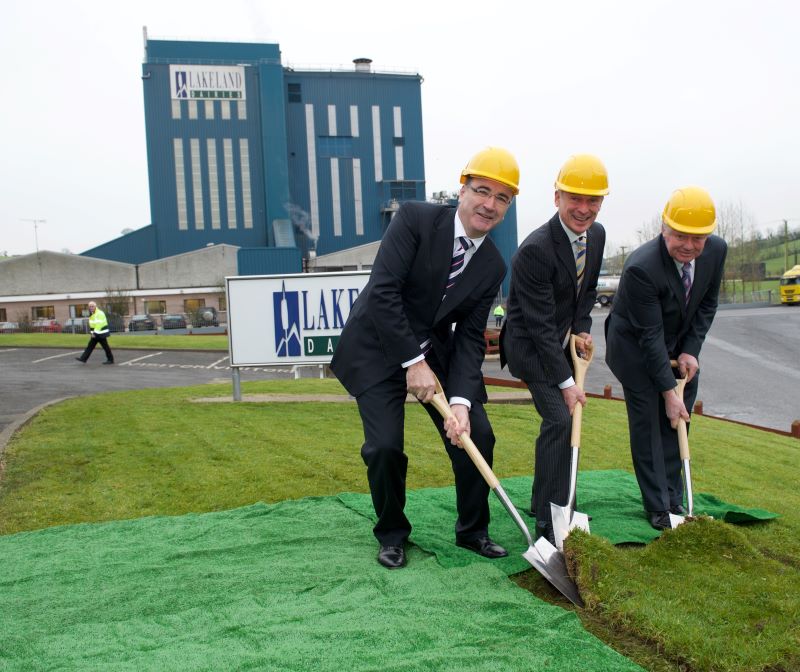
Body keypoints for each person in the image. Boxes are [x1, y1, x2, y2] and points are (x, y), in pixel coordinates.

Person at [330, 147, 519, 569]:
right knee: (383, 448)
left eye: (502, 198)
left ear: (508, 207)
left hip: (434, 350)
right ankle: (392, 533)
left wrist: (461, 402)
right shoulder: (415, 219)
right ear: (462, 189)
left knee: (478, 435)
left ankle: (473, 530)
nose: (489, 204)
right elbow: (383, 292)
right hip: (377, 345)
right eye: (482, 191)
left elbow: (470, 338)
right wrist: (412, 363)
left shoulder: (492, 263)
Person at [499, 154, 608, 545]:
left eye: (592, 201)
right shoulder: (535, 250)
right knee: (562, 421)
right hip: (530, 345)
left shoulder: (596, 235)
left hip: (561, 340)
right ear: (557, 196)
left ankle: (546, 502)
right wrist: (565, 382)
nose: (583, 209)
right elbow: (540, 327)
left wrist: (581, 328)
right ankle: (549, 520)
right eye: (574, 198)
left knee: (567, 419)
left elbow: (587, 290)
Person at [605, 186, 727, 530]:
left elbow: (707, 303)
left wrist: (691, 349)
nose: (689, 246)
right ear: (664, 227)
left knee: (678, 421)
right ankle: (658, 506)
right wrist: (668, 393)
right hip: (634, 347)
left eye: (698, 238)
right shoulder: (642, 268)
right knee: (649, 422)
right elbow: (649, 336)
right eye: (680, 236)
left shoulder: (716, 252)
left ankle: (675, 496)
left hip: (679, 347)